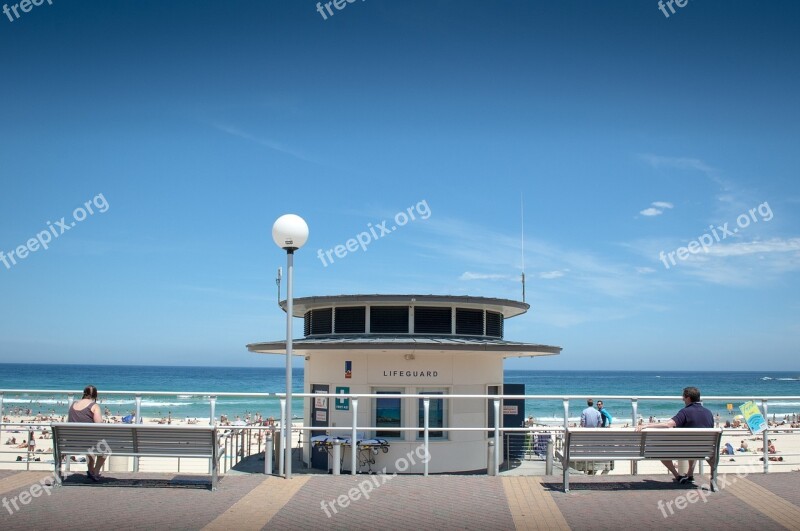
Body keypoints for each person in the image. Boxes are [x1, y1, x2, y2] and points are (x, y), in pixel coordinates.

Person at [635, 386, 714, 484]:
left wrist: (646, 425)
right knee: (695, 445)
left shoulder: (685, 412)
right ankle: (690, 474)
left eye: (683, 397)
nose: (682, 399)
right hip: (704, 450)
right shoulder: (709, 413)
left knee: (659, 450)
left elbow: (668, 424)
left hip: (684, 450)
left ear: (688, 398)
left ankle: (677, 476)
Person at [68, 385, 107, 482]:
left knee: (89, 447)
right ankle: (96, 472)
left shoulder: (73, 405)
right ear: (95, 395)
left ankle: (90, 470)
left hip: (72, 443)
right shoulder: (94, 406)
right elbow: (99, 424)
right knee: (104, 451)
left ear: (84, 393)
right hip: (89, 442)